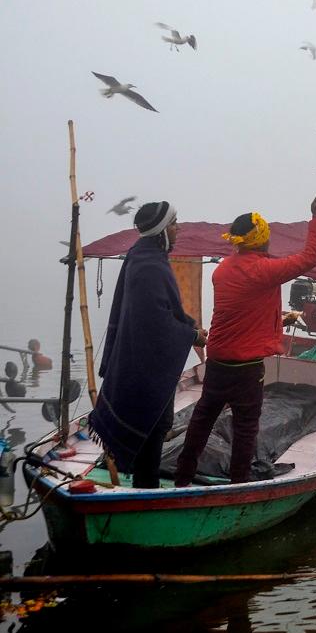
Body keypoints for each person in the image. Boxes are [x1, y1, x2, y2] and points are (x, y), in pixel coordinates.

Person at [173, 189, 316, 486]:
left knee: (202, 418)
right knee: (246, 426)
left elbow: (244, 309)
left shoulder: (222, 270)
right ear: (259, 239)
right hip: (245, 369)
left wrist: (276, 320)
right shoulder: (264, 271)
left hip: (218, 360)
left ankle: (182, 475)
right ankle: (238, 483)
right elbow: (311, 257)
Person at [88, 201, 206, 489]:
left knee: (156, 424)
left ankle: (144, 482)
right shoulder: (149, 266)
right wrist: (191, 335)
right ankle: (146, 486)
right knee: (154, 425)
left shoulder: (142, 257)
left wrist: (188, 325)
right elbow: (155, 321)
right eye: (174, 223)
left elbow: (165, 309)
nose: (178, 228)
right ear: (161, 230)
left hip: (142, 358)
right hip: (146, 364)